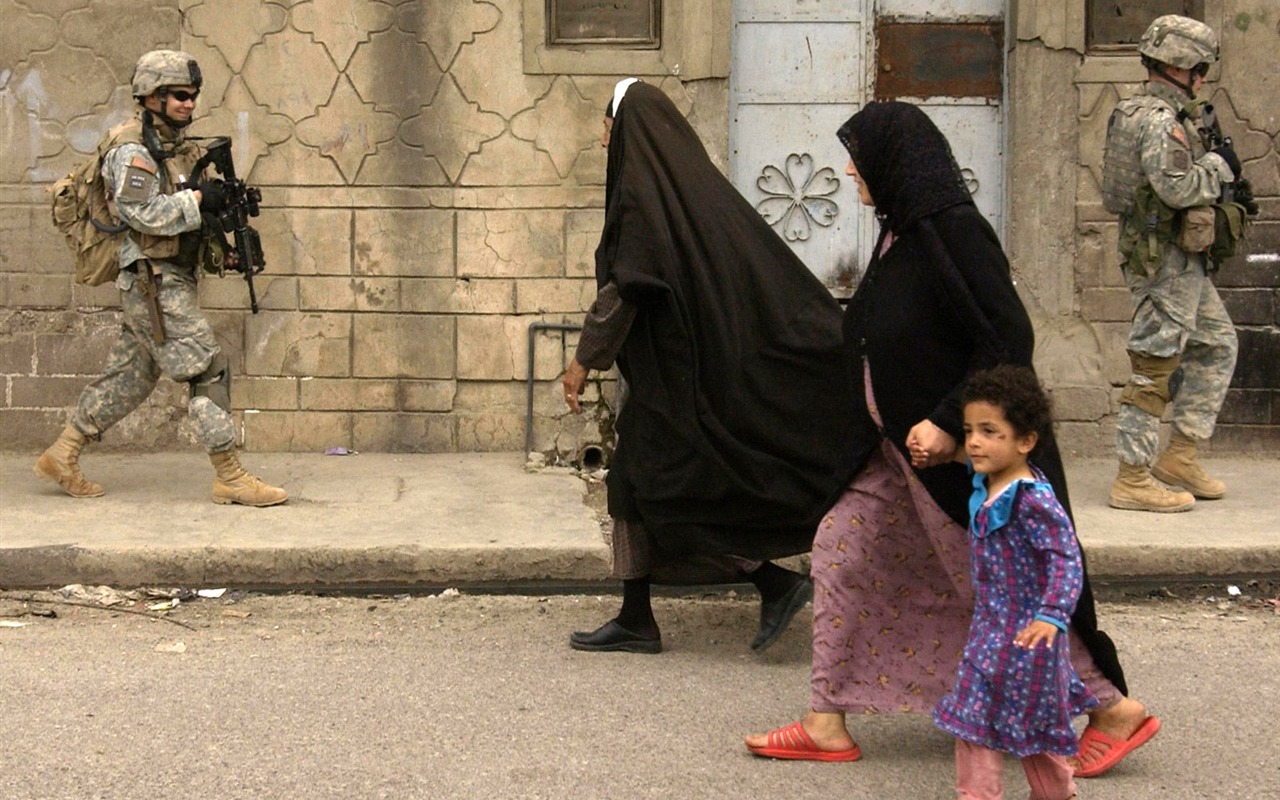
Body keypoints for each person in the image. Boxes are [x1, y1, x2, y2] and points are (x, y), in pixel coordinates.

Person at [744, 101, 1158, 778]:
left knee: (999, 589)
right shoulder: (898, 236)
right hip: (893, 458)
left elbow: (1008, 338)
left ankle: (1111, 709)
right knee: (840, 550)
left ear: (896, 162)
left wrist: (947, 417)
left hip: (958, 460)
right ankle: (826, 720)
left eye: (859, 155)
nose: (849, 169)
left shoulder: (955, 233)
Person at [563, 79, 854, 654]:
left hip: (679, 384)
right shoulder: (683, 191)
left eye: (606, 125)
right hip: (680, 379)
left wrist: (582, 362)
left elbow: (626, 292)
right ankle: (648, 612)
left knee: (653, 487)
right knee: (650, 486)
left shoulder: (642, 204)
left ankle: (757, 585)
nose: (602, 139)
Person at [33, 50, 287, 508]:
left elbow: (188, 214)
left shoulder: (174, 145)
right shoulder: (133, 151)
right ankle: (230, 475)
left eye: (193, 96)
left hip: (166, 275)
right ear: (152, 97)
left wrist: (223, 246)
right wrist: (198, 201)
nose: (189, 104)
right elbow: (143, 214)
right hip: (152, 280)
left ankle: (62, 453)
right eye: (179, 96)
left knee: (134, 373)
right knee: (207, 368)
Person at [932, 365, 1096, 800]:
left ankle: (1056, 794)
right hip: (991, 634)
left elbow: (1065, 558)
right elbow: (968, 457)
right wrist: (942, 451)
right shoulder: (992, 482)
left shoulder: (1032, 499)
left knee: (1033, 730)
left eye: (989, 431)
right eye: (969, 430)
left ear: (1025, 442)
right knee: (973, 721)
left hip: (1028, 640)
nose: (974, 442)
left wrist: (1053, 615)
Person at [1102, 15, 1240, 513]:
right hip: (1164, 260)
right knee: (1153, 365)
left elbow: (1117, 191)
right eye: (1200, 69)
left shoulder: (1134, 111)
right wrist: (1219, 166)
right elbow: (1177, 189)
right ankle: (1132, 476)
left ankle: (1180, 455)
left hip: (1174, 259)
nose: (1203, 79)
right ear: (1185, 68)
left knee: (1217, 344)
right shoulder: (1162, 121)